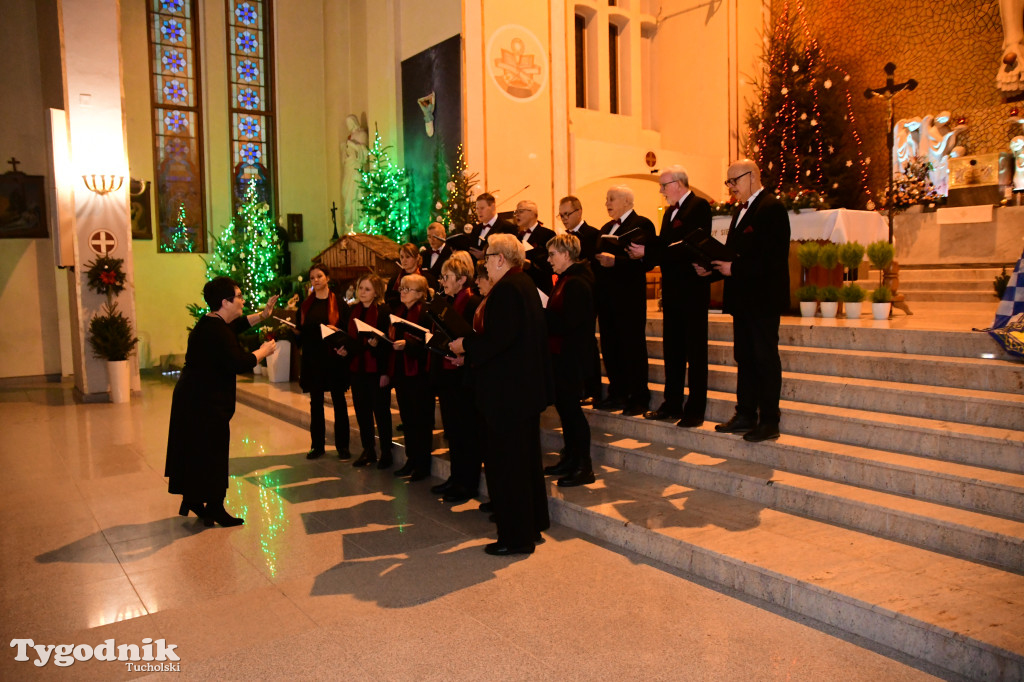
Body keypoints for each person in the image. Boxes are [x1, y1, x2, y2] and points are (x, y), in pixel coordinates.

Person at [450, 234, 552, 556]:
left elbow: (498, 340)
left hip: (509, 396)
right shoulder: (523, 284)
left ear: (499, 259)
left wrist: (464, 346)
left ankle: (515, 538)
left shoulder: (507, 289)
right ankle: (531, 526)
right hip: (521, 392)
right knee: (525, 465)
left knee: (508, 468)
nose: (484, 264)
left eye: (487, 258)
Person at [165, 278, 278, 527]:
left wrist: (263, 315)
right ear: (225, 302)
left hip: (196, 398)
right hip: (203, 402)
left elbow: (235, 327)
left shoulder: (214, 322)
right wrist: (263, 352)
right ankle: (214, 506)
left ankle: (195, 499)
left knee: (199, 452)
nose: (243, 300)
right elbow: (238, 362)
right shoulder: (215, 331)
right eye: (239, 296)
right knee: (212, 453)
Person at [696, 159, 790, 442]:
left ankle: (769, 420)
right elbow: (732, 255)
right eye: (729, 182)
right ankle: (746, 413)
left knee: (764, 358)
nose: (731, 187)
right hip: (743, 300)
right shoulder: (741, 212)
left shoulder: (772, 208)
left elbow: (772, 260)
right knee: (745, 358)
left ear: (753, 177)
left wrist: (733, 269)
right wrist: (710, 269)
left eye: (734, 180)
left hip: (763, 300)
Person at [628, 165, 712, 428]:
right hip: (674, 290)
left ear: (678, 183)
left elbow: (686, 246)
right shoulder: (669, 212)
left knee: (695, 351)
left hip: (692, 289)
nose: (662, 191)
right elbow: (666, 244)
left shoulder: (698, 206)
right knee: (672, 349)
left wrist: (648, 254)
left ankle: (695, 409)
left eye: (664, 185)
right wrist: (646, 251)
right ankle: (672, 402)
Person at [592, 185, 656, 416]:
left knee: (632, 346)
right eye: (606, 199)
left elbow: (644, 261)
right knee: (610, 346)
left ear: (627, 201)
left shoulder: (642, 224)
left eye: (611, 199)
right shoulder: (606, 227)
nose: (607, 203)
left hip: (629, 297)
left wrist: (615, 261)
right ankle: (617, 393)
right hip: (607, 297)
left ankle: (639, 397)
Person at [543, 233, 597, 487]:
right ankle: (570, 458)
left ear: (566, 254)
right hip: (562, 356)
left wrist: (542, 315)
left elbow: (571, 324)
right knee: (565, 411)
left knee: (573, 413)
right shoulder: (568, 279)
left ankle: (583, 466)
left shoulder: (577, 282)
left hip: (571, 358)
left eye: (553, 254)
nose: (549, 259)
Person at [429, 252, 483, 502]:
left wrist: (466, 357)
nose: (442, 281)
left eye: (447, 277)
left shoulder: (472, 303)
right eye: (441, 277)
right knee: (453, 430)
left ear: (462, 279)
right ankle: (456, 477)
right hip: (448, 374)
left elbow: (475, 339)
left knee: (466, 432)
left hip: (464, 376)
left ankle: (467, 483)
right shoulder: (449, 302)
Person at [296, 264, 352, 460]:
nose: (316, 280)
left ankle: (343, 446)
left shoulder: (339, 303)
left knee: (339, 402)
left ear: (327, 278)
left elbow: (347, 330)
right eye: (312, 278)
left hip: (334, 358)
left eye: (319, 276)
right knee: (316, 403)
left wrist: (336, 333)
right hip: (313, 359)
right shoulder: (306, 305)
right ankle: (317, 446)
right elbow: (300, 331)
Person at [344, 273, 394, 468]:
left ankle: (387, 452)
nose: (362, 292)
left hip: (376, 369)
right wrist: (343, 349)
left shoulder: (383, 312)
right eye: (360, 288)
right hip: (358, 369)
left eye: (367, 289)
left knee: (381, 412)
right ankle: (368, 449)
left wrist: (384, 372)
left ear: (376, 292)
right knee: (362, 410)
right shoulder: (353, 311)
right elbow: (351, 339)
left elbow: (388, 344)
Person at [389, 274, 436, 481]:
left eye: (407, 289)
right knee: (407, 419)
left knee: (421, 420)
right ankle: (411, 459)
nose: (403, 292)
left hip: (420, 375)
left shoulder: (426, 313)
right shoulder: (400, 311)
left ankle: (422, 464)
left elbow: (430, 346)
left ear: (420, 294)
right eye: (402, 289)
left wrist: (408, 345)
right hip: (402, 373)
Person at [558, 194, 602, 405]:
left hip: (586, 292)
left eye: (567, 214)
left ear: (579, 211)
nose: (564, 218)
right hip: (569, 292)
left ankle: (593, 387)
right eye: (561, 215)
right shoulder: (563, 237)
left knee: (586, 342)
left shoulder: (592, 234)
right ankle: (578, 386)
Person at [514, 199, 556, 294]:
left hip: (540, 285)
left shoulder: (547, 234)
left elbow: (550, 262)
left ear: (533, 213)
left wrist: (530, 265)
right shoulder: (518, 236)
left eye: (520, 211)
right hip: (522, 285)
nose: (517, 215)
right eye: (516, 212)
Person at [386, 243, 438, 309]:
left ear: (417, 257)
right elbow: (388, 301)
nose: (404, 260)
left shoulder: (428, 278)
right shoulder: (394, 280)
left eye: (408, 257)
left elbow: (433, 302)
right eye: (402, 257)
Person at [467, 192, 516, 260]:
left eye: (482, 208)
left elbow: (510, 254)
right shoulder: (475, 228)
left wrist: (485, 256)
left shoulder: (507, 227)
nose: (478, 212)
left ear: (492, 207)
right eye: (477, 208)